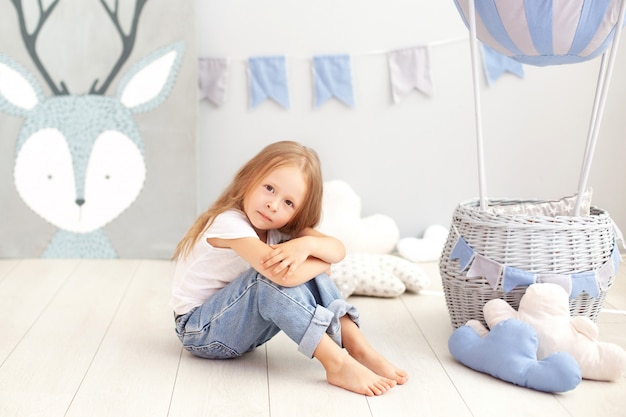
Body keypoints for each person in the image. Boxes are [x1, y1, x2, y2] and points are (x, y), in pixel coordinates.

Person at [170, 140, 407, 396]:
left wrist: (305, 245)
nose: (273, 205)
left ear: (298, 214)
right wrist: (320, 261)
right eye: (269, 188)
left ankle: (358, 346)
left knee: (295, 265)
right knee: (272, 277)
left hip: (239, 333)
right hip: (199, 331)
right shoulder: (228, 223)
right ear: (250, 179)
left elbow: (337, 249)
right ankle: (336, 363)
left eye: (288, 203)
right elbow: (282, 275)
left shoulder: (279, 229)